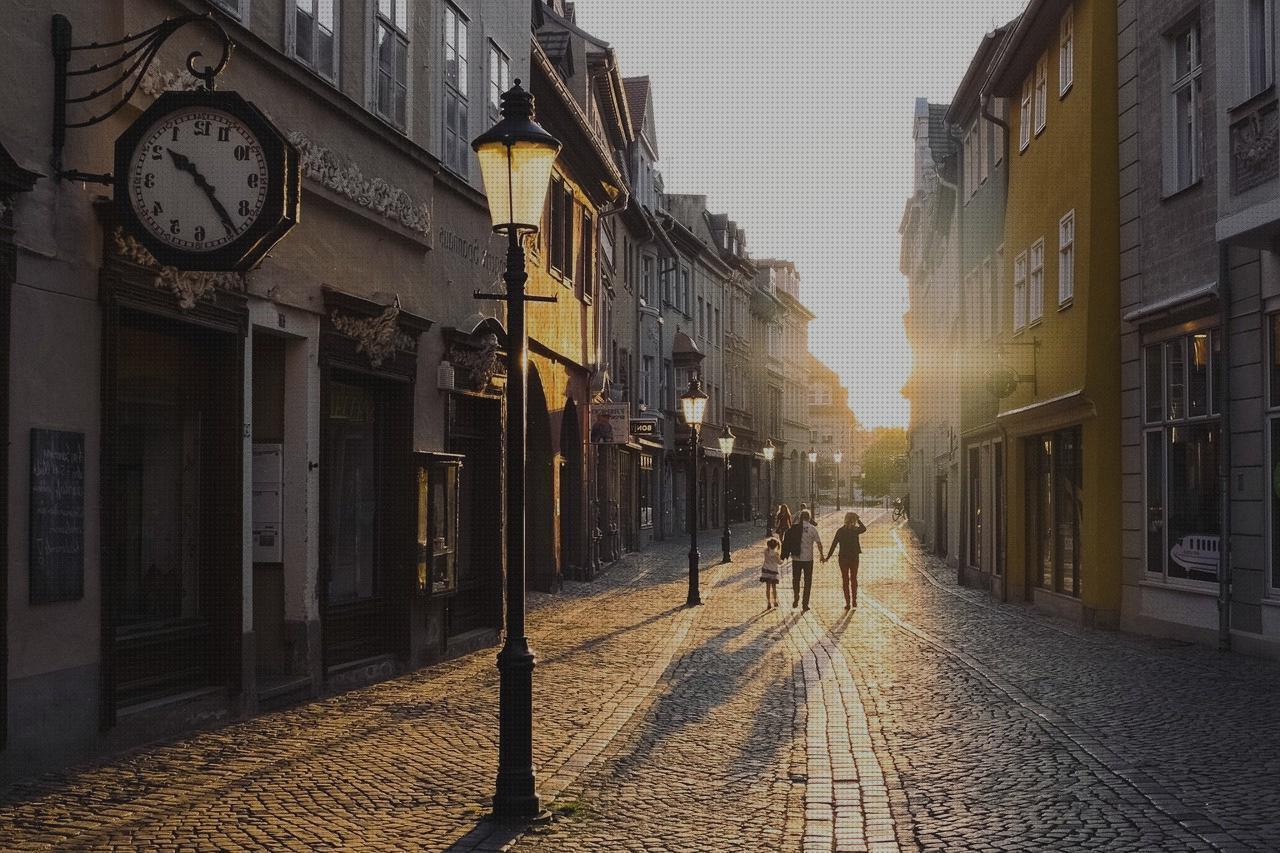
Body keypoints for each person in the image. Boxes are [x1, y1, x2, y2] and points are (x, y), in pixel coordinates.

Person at [824, 511, 868, 609]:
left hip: (843, 558)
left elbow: (834, 544)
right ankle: (854, 601)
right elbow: (864, 529)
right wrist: (858, 520)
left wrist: (828, 557)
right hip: (854, 558)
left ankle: (847, 603)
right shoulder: (855, 530)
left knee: (845, 580)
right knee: (854, 579)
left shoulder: (840, 531)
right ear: (854, 520)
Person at [787, 509, 824, 611]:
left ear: (800, 518)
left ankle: (796, 596)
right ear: (809, 518)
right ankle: (805, 604)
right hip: (808, 559)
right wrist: (821, 555)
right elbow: (819, 544)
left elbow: (788, 540)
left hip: (796, 558)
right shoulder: (812, 529)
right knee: (808, 581)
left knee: (796, 579)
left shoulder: (794, 528)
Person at [760, 537, 781, 609]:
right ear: (776, 546)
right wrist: (782, 560)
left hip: (766, 571)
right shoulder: (776, 554)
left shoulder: (766, 551)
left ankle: (768, 602)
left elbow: (767, 547)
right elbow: (779, 562)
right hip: (774, 572)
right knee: (774, 588)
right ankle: (775, 601)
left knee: (768, 588)